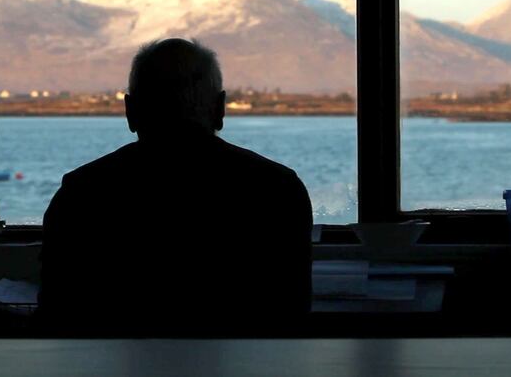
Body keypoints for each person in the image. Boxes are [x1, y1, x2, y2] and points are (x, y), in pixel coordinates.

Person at [38, 38, 312, 334]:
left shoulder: (82, 193)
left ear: (131, 111)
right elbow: (291, 316)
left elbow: (57, 317)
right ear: (220, 109)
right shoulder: (278, 190)